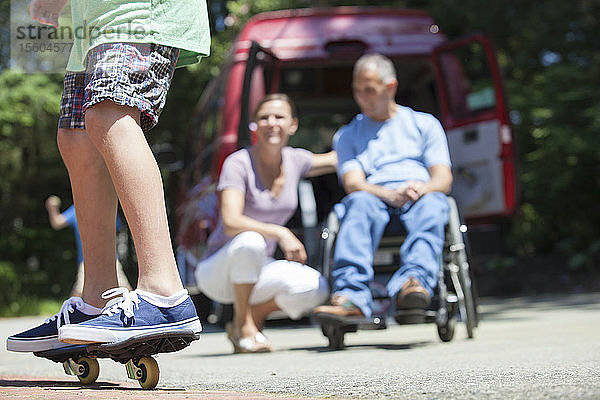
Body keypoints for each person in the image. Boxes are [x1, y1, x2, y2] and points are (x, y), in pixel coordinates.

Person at [6, 0, 209, 352]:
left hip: (136, 9)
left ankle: (165, 294)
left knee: (108, 113)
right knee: (76, 138)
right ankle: (96, 302)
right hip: (91, 19)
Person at [191, 93, 335, 353]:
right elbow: (231, 221)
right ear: (255, 125)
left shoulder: (296, 160)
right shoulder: (238, 163)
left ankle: (248, 318)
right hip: (218, 271)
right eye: (264, 117)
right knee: (250, 240)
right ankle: (245, 327)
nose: (272, 122)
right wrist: (281, 233)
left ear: (293, 125)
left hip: (257, 269)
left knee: (315, 287)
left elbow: (337, 159)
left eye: (279, 117)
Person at [313, 53, 453, 319]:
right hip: (373, 198)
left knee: (436, 202)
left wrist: (421, 188)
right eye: (357, 91)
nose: (362, 97)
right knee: (357, 202)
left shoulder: (424, 125)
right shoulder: (347, 135)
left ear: (391, 87)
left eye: (369, 90)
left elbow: (443, 179)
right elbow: (353, 183)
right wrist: (388, 193)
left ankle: (414, 282)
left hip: (418, 196)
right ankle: (351, 296)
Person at [45, 195, 132, 297]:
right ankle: (73, 312)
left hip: (110, 258)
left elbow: (117, 229)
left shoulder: (105, 206)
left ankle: (137, 310)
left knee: (125, 289)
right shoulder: (76, 209)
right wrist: (52, 209)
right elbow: (57, 222)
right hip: (86, 260)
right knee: (79, 292)